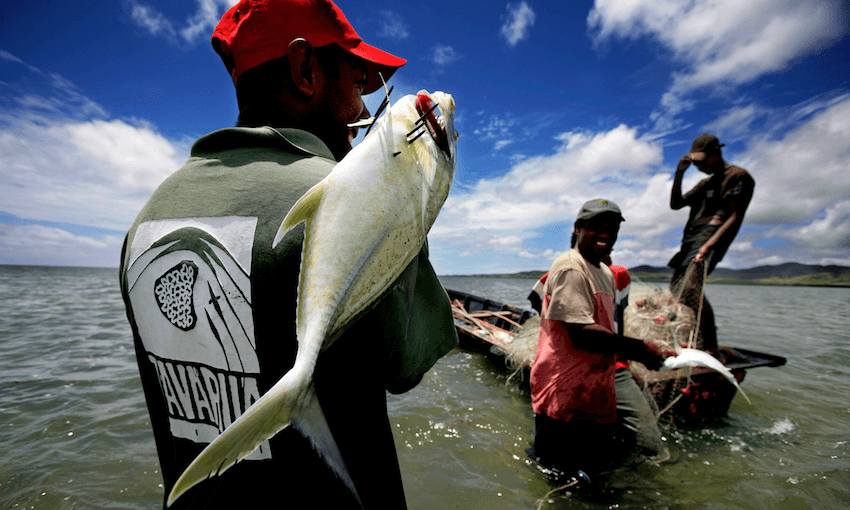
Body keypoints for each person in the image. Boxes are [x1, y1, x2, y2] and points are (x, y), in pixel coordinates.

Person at [118, 1, 458, 508]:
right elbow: (404, 369)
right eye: (356, 79)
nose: (365, 111)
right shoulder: (345, 200)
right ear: (304, 70)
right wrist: (415, 198)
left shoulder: (145, 221)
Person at [529, 199, 671, 478]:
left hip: (594, 389)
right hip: (565, 393)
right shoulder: (572, 268)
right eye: (596, 226)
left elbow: (607, 323)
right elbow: (581, 332)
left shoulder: (605, 272)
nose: (605, 233)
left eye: (612, 227)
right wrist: (640, 349)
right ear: (579, 228)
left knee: (593, 473)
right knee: (560, 476)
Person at [669, 134, 755, 354]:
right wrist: (679, 172)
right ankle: (695, 338)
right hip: (690, 241)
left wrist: (709, 245)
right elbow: (676, 204)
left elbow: (735, 215)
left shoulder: (737, 176)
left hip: (710, 239)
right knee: (677, 289)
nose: (698, 166)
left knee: (692, 288)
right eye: (694, 163)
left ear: (716, 153)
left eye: (701, 161)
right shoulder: (704, 183)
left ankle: (711, 347)